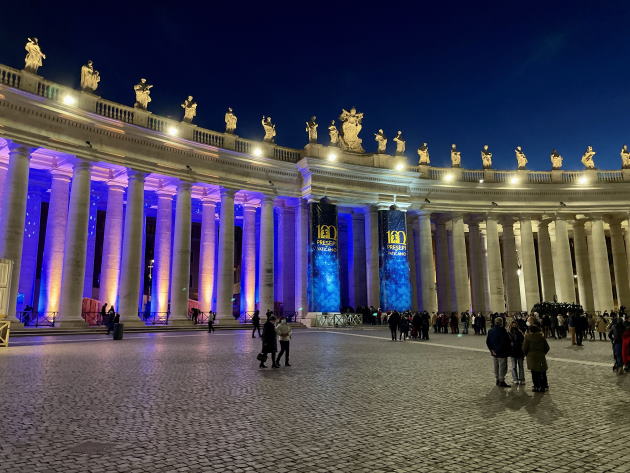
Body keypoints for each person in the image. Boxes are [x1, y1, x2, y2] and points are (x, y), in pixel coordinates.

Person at [523, 324, 550, 392]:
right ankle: (544, 386)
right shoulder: (541, 337)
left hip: (531, 357)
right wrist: (542, 353)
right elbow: (547, 347)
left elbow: (524, 348)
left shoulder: (528, 337)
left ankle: (536, 386)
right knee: (542, 371)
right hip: (540, 356)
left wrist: (527, 354)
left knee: (534, 372)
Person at [485, 317, 512, 387]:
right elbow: (505, 342)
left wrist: (492, 350)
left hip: (494, 353)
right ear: (501, 322)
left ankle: (497, 379)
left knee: (496, 367)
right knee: (502, 367)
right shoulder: (503, 331)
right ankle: (501, 380)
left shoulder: (490, 331)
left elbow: (488, 342)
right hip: (502, 352)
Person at [508, 321, 526, 385]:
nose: (514, 326)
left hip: (518, 351)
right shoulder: (509, 333)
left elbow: (523, 342)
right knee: (514, 366)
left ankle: (521, 379)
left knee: (519, 366)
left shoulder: (519, 333)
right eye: (513, 325)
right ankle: (516, 379)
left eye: (515, 325)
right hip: (514, 352)